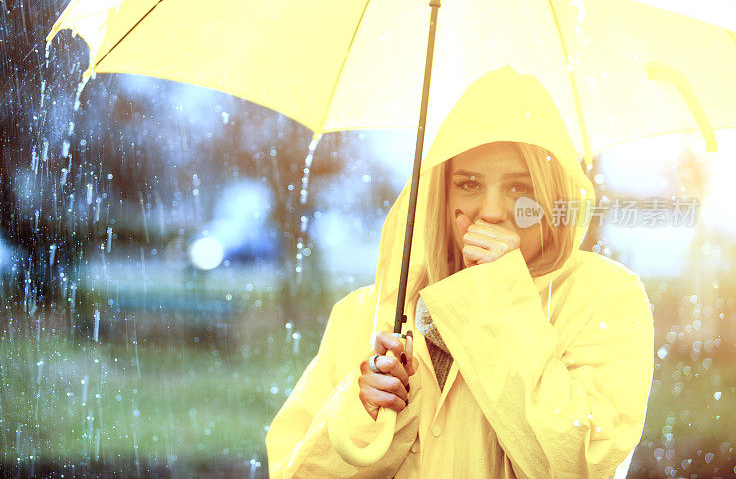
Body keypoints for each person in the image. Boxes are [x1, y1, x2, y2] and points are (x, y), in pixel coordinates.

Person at [265, 66, 655, 478]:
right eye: (468, 184)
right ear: (439, 192)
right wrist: (365, 412)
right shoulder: (365, 313)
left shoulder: (605, 297)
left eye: (519, 187)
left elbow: (577, 465)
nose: (490, 210)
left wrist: (501, 297)